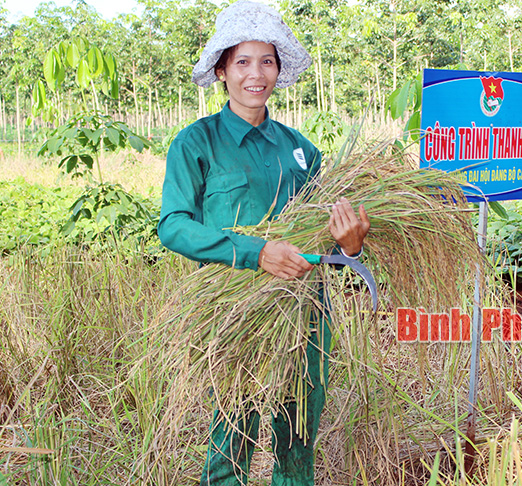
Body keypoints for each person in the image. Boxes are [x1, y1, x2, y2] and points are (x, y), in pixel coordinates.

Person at [157, 1, 370, 484]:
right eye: (243, 62)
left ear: (279, 69)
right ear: (222, 71)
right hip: (232, 314)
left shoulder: (301, 149)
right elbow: (173, 225)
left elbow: (329, 240)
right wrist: (257, 253)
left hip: (304, 313)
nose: (257, 74)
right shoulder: (197, 143)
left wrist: (351, 247)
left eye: (267, 61)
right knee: (230, 437)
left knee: (297, 440)